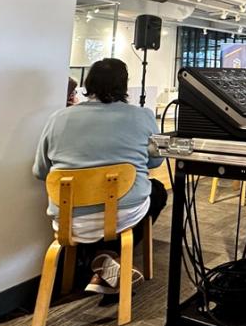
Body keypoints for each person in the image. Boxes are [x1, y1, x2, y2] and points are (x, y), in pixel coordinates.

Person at [33, 58, 167, 295]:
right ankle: (108, 257)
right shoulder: (143, 116)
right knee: (157, 191)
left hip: (69, 218)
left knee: (99, 210)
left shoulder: (58, 118)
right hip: (123, 214)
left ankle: (99, 259)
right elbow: (155, 161)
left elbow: (40, 171)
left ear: (88, 84)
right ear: (124, 85)